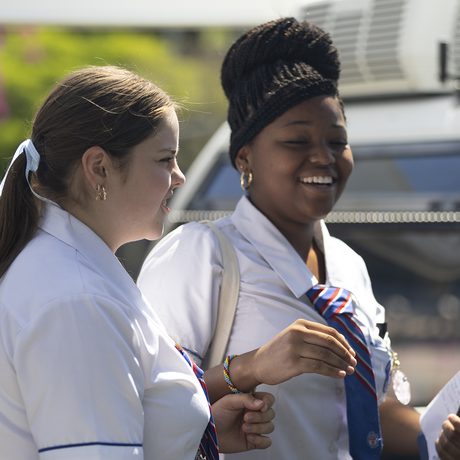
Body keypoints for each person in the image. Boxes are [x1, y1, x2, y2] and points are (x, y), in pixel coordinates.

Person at [137, 18, 460, 460]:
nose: (323, 157)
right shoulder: (201, 254)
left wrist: (439, 438)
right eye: (296, 141)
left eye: (337, 140)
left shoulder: (349, 267)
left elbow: (369, 416)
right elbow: (143, 399)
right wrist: (252, 367)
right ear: (245, 156)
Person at [0, 65, 277, 460]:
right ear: (99, 168)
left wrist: (193, 432)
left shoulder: (65, 272)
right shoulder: (77, 300)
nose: (179, 177)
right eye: (165, 159)